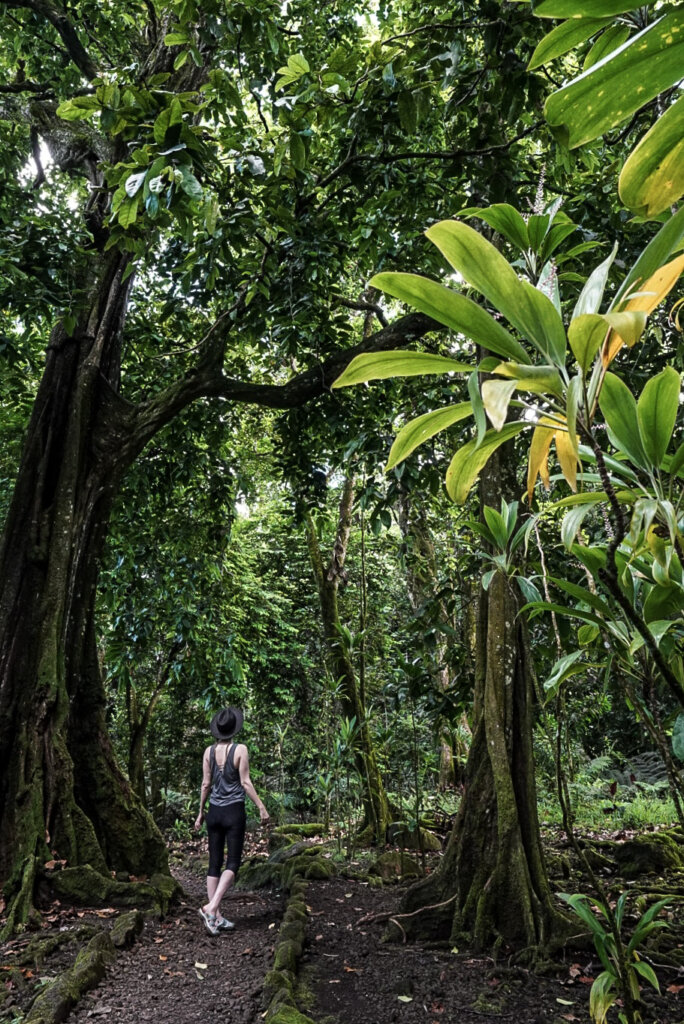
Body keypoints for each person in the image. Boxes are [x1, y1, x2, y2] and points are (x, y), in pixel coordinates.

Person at [194, 707, 270, 936]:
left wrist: (200, 812)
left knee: (214, 862)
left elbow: (205, 784)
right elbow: (245, 783)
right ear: (234, 728)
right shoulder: (240, 750)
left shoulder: (208, 752)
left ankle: (214, 919)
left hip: (214, 812)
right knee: (233, 864)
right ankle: (212, 907)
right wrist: (261, 806)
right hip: (233, 812)